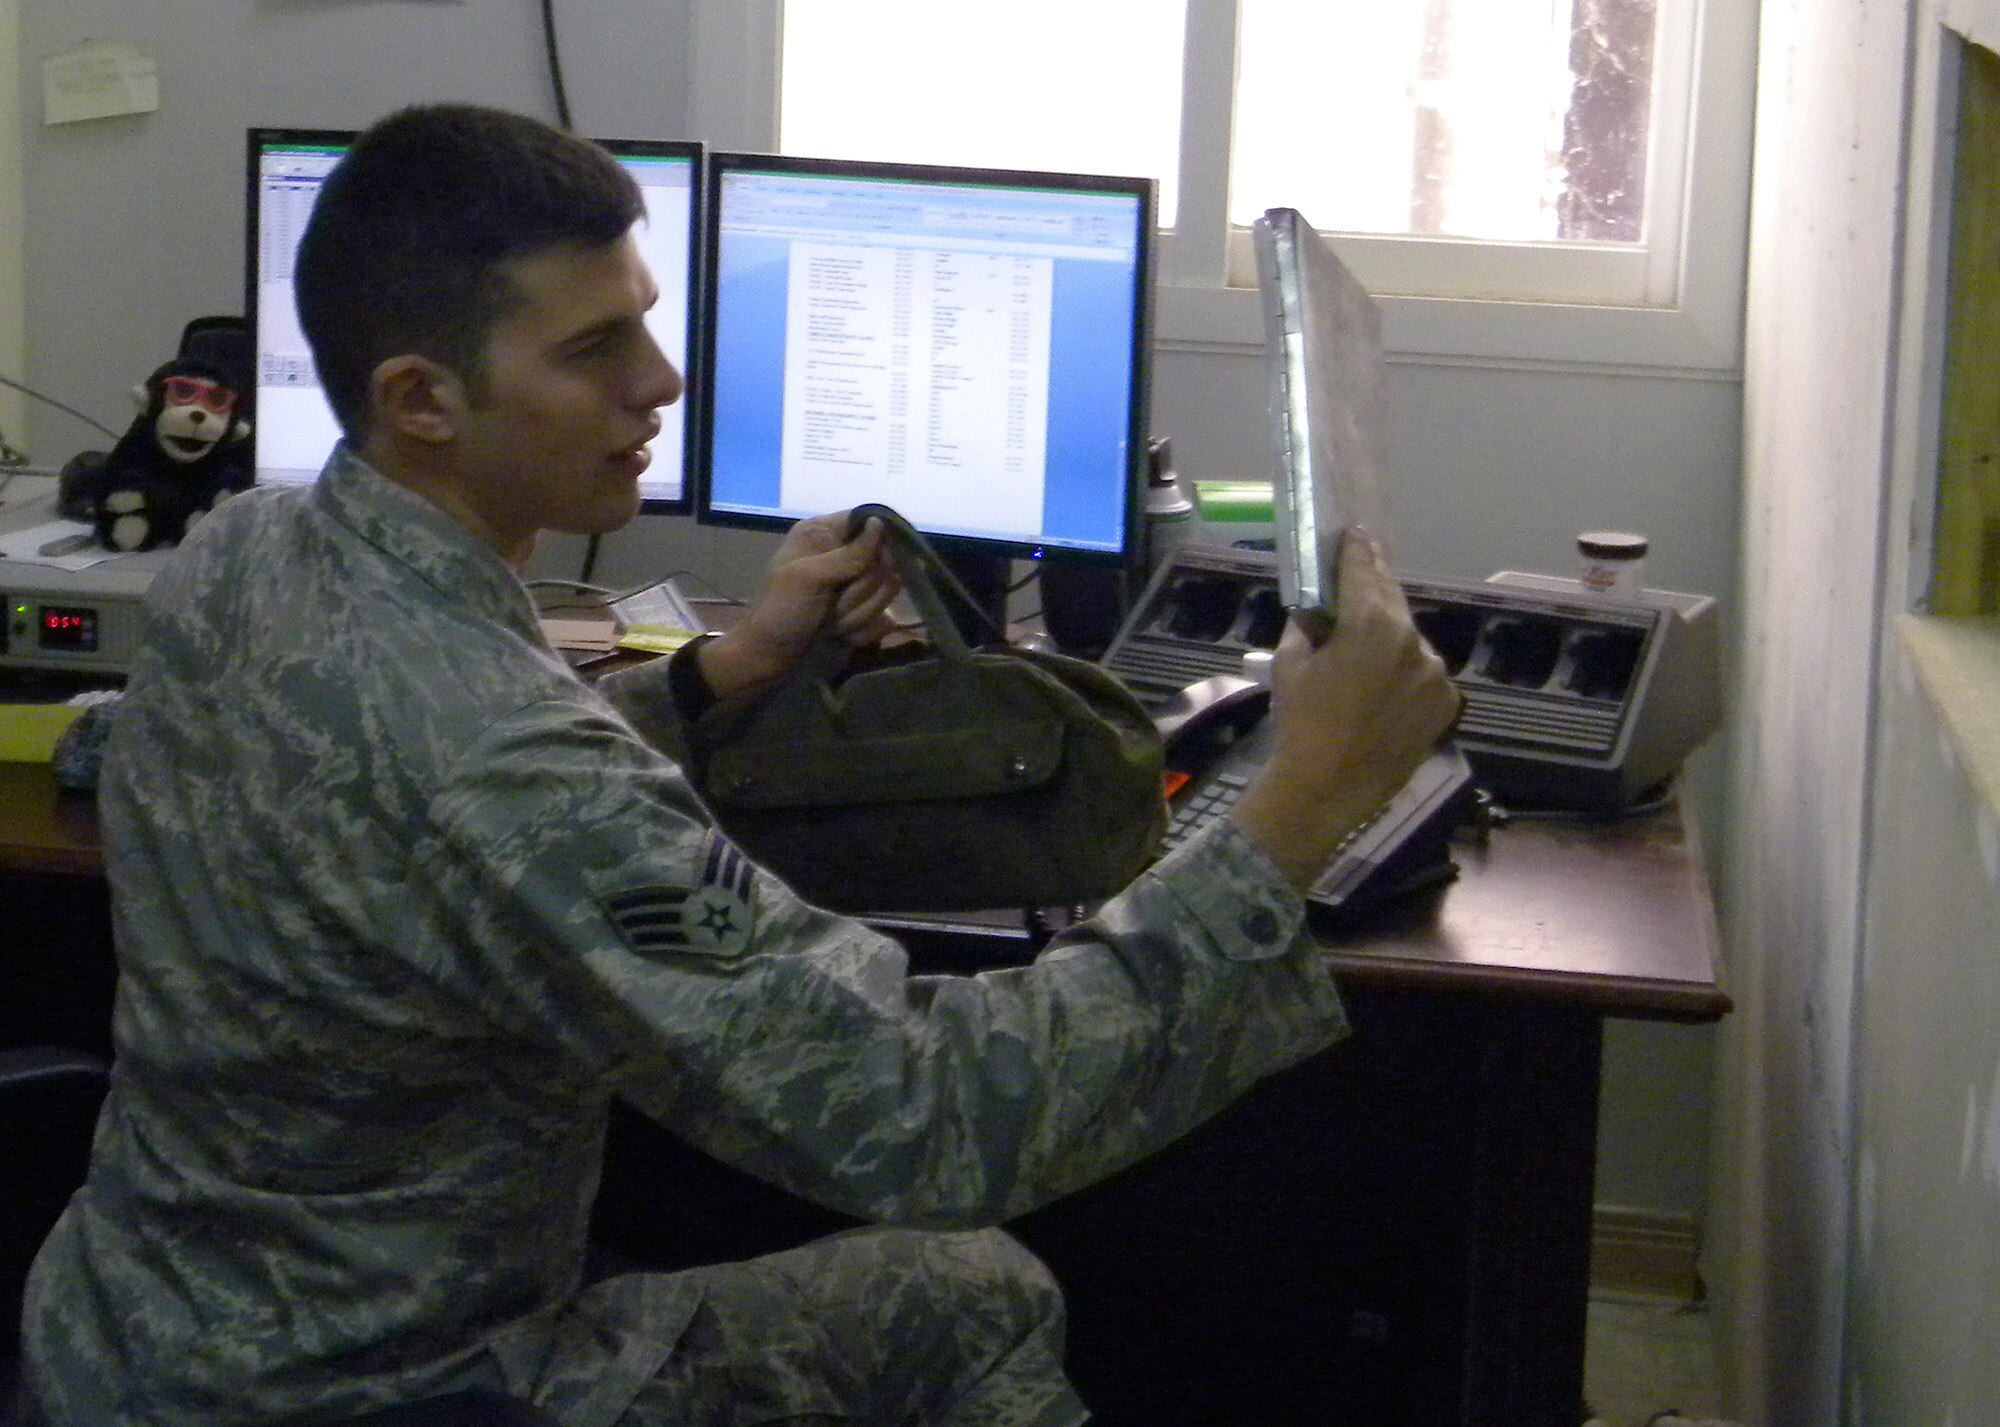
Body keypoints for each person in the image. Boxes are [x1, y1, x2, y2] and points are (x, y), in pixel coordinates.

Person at [21, 104, 1459, 1427]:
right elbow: (930, 1119)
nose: (660, 381)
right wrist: (1299, 807)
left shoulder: (244, 553)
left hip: (126, 1337)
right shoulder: (505, 761)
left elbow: (382, 799)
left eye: (644, 325)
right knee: (969, 1292)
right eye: (594, 349)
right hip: (384, 1391)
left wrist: (720, 676)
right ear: (421, 400)